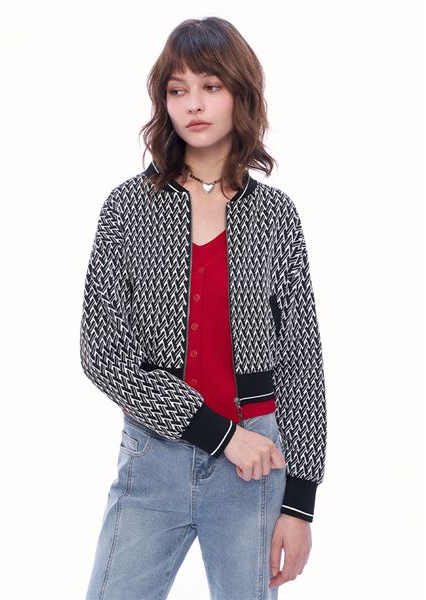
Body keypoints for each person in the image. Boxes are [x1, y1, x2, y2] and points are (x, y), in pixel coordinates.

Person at [80, 16, 327, 600]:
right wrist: (219, 435)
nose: (192, 103)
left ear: (240, 93)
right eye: (177, 89)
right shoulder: (128, 209)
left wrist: (300, 504)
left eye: (211, 86)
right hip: (155, 459)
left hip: (255, 467)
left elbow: (302, 363)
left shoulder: (275, 216)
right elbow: (101, 354)